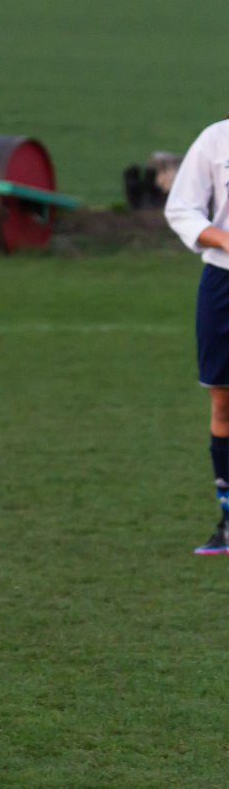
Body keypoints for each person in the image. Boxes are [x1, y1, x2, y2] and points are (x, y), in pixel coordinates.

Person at [166, 117, 229, 555]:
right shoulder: (216, 138)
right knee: (223, 400)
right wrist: (223, 239)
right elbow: (182, 208)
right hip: (224, 283)